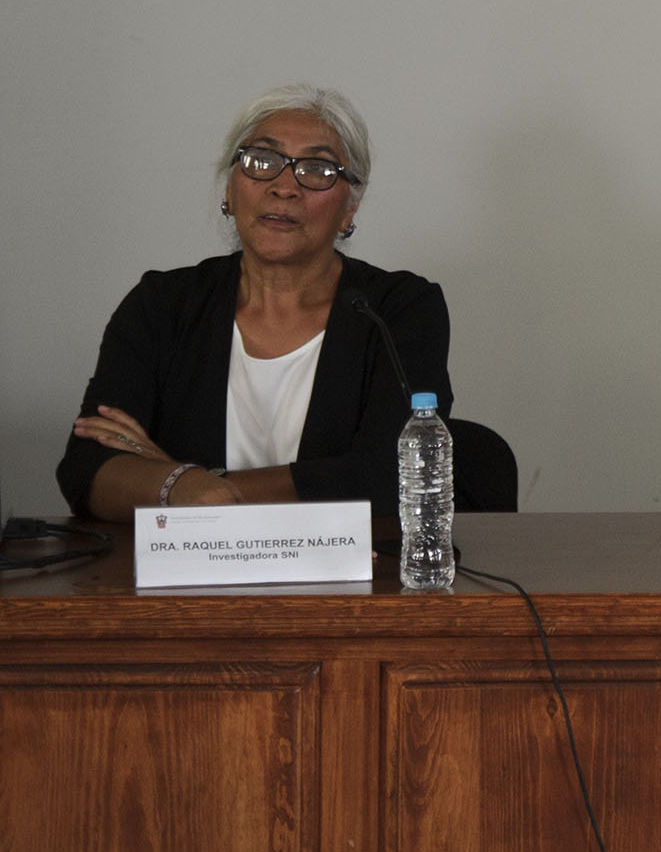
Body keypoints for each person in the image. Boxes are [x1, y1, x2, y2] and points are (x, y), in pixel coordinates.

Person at [57, 84, 452, 524]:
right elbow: (87, 468)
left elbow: (391, 474)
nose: (284, 187)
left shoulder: (396, 311)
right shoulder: (163, 305)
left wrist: (184, 482)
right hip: (186, 567)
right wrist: (183, 485)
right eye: (262, 161)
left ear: (349, 208)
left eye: (317, 169)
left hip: (351, 567)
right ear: (230, 189)